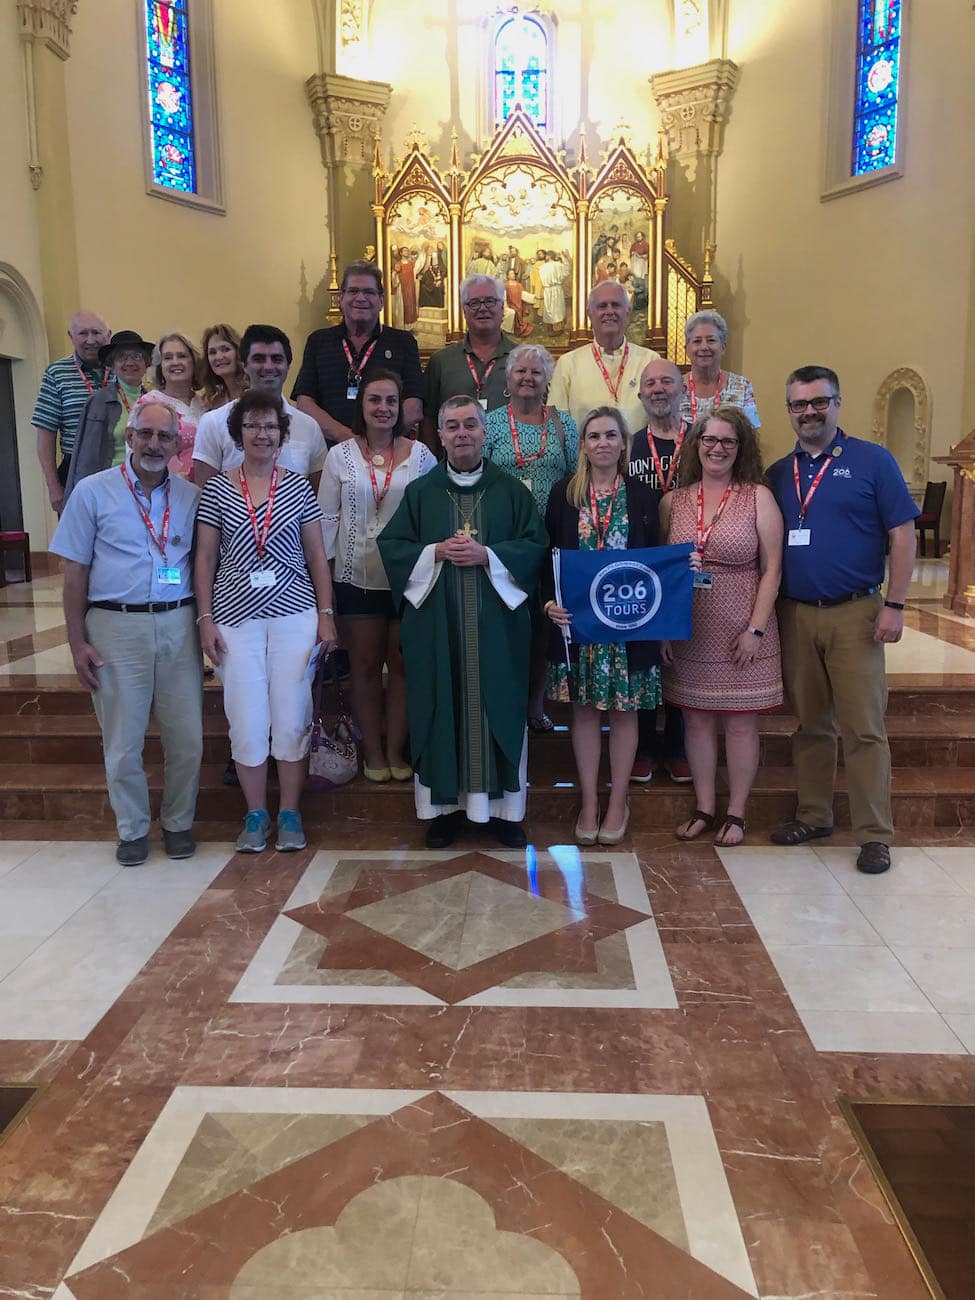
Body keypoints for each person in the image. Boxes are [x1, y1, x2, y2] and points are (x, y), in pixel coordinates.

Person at [766, 365, 919, 875]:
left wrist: (895, 605)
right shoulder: (777, 474)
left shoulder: (873, 462)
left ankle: (875, 834)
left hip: (857, 612)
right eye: (798, 404)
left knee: (863, 728)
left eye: (819, 401)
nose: (809, 412)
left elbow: (902, 534)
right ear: (789, 410)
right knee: (811, 724)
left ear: (837, 402)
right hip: (796, 614)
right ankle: (814, 814)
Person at [378, 396, 549, 850]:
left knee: (500, 708)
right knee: (441, 706)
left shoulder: (512, 491)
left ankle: (505, 812)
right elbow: (393, 546)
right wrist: (433, 551)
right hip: (439, 631)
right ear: (439, 434)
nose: (462, 434)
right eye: (452, 426)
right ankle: (444, 812)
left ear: (484, 430)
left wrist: (488, 555)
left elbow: (535, 547)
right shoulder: (421, 493)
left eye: (470, 425)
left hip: (497, 634)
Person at [50, 393, 202, 865]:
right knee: (122, 739)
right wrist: (77, 642)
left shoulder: (190, 496)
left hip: (179, 623)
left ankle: (178, 823)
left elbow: (204, 565)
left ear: (178, 444)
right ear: (130, 436)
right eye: (147, 433)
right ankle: (133, 829)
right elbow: (73, 573)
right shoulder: (92, 491)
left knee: (188, 737)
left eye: (165, 436)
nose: (154, 443)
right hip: (115, 625)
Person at [194, 388, 339, 854]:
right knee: (247, 717)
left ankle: (290, 813)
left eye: (270, 426)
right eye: (253, 425)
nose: (262, 433)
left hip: (294, 617)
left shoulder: (296, 487)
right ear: (238, 433)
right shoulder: (217, 488)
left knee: (292, 714)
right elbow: (205, 558)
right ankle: (256, 814)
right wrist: (205, 619)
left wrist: (327, 615)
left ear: (282, 435)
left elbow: (317, 556)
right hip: (235, 620)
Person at [660, 407, 784, 846]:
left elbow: (771, 569)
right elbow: (660, 573)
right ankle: (704, 807)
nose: (717, 448)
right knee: (694, 721)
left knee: (739, 724)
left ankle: (737, 813)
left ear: (741, 447)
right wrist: (664, 631)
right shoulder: (674, 500)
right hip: (689, 628)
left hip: (742, 629)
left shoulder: (758, 497)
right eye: (709, 440)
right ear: (696, 445)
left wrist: (756, 630)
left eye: (727, 441)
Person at [544, 407, 663, 846]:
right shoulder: (564, 494)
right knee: (585, 713)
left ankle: (618, 801)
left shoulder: (643, 496)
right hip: (579, 627)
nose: (603, 443)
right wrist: (548, 602)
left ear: (624, 442)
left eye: (611, 435)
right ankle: (591, 801)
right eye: (593, 436)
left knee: (625, 712)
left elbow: (657, 557)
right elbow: (548, 558)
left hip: (629, 625)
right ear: (583, 445)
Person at [319, 369, 436, 781]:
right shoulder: (340, 456)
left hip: (408, 579)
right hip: (356, 577)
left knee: (402, 666)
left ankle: (396, 750)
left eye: (390, 400)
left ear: (400, 406)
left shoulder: (422, 456)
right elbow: (326, 520)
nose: (383, 408)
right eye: (374, 400)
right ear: (362, 407)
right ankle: (373, 752)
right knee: (365, 666)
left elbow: (432, 519)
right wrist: (328, 584)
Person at [484, 343, 578, 731]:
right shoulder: (488, 424)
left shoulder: (564, 425)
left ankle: (535, 705)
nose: (528, 378)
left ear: (548, 381)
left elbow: (576, 477)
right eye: (520, 372)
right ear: (508, 380)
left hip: (550, 539)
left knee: (544, 625)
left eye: (536, 373)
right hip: (504, 540)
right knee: (505, 622)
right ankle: (502, 701)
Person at [627, 358, 693, 784]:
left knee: (684, 653)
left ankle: (680, 745)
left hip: (689, 558)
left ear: (681, 389)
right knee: (648, 653)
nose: (657, 389)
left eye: (666, 381)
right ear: (640, 395)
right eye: (649, 383)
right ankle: (647, 746)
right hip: (644, 561)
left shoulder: (702, 441)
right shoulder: (628, 445)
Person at [291, 260, 424, 445]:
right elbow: (305, 403)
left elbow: (414, 405)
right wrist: (346, 437)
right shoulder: (318, 341)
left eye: (369, 292)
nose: (360, 298)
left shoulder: (403, 342)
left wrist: (377, 441)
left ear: (381, 301)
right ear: (341, 298)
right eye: (353, 291)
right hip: (330, 452)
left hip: (388, 453)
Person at [193, 324, 327, 492]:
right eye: (259, 359)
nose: (268, 366)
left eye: (277, 359)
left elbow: (317, 496)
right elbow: (204, 495)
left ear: (288, 366)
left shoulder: (309, 427)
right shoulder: (213, 422)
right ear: (244, 365)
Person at [548, 281, 659, 434]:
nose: (609, 311)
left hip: (638, 456)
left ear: (627, 313)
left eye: (616, 305)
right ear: (590, 314)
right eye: (602, 306)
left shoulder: (650, 361)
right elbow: (556, 426)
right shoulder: (567, 364)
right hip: (584, 457)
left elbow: (662, 420)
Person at [33, 309, 111, 514]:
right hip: (75, 470)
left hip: (117, 466)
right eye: (83, 333)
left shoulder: (122, 370)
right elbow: (45, 434)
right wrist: (54, 487)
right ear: (71, 336)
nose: (91, 340)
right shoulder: (56, 373)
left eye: (96, 332)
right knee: (78, 542)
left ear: (108, 335)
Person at [64, 331, 155, 504]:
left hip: (148, 487)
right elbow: (85, 458)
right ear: (112, 365)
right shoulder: (98, 401)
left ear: (146, 363)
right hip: (110, 490)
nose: (129, 362)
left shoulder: (155, 400)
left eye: (136, 356)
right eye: (121, 357)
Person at [423, 275, 516, 443]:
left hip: (511, 465)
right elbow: (428, 421)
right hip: (454, 465)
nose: (482, 308)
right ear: (464, 310)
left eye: (490, 301)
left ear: (502, 307)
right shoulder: (441, 361)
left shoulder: (521, 359)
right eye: (474, 303)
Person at [680, 309, 761, 428]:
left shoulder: (742, 386)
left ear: (723, 347)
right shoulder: (674, 389)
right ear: (686, 349)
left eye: (711, 340)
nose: (704, 347)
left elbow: (751, 434)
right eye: (697, 341)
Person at [152, 331, 205, 478]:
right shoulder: (148, 405)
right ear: (160, 366)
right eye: (168, 358)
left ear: (194, 362)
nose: (175, 362)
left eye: (182, 356)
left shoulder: (207, 403)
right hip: (167, 492)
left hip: (209, 492)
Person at [200, 324, 247, 411]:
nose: (218, 357)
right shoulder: (213, 403)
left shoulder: (253, 393)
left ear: (238, 352)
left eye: (225, 349)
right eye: (212, 352)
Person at [538, 251, 568, 334]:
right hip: (551, 289)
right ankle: (552, 329)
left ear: (549, 256)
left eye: (547, 255)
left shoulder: (554, 265)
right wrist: (564, 258)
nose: (545, 257)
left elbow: (566, 271)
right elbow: (566, 270)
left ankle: (556, 329)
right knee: (551, 309)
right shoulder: (544, 266)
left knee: (555, 309)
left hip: (553, 289)